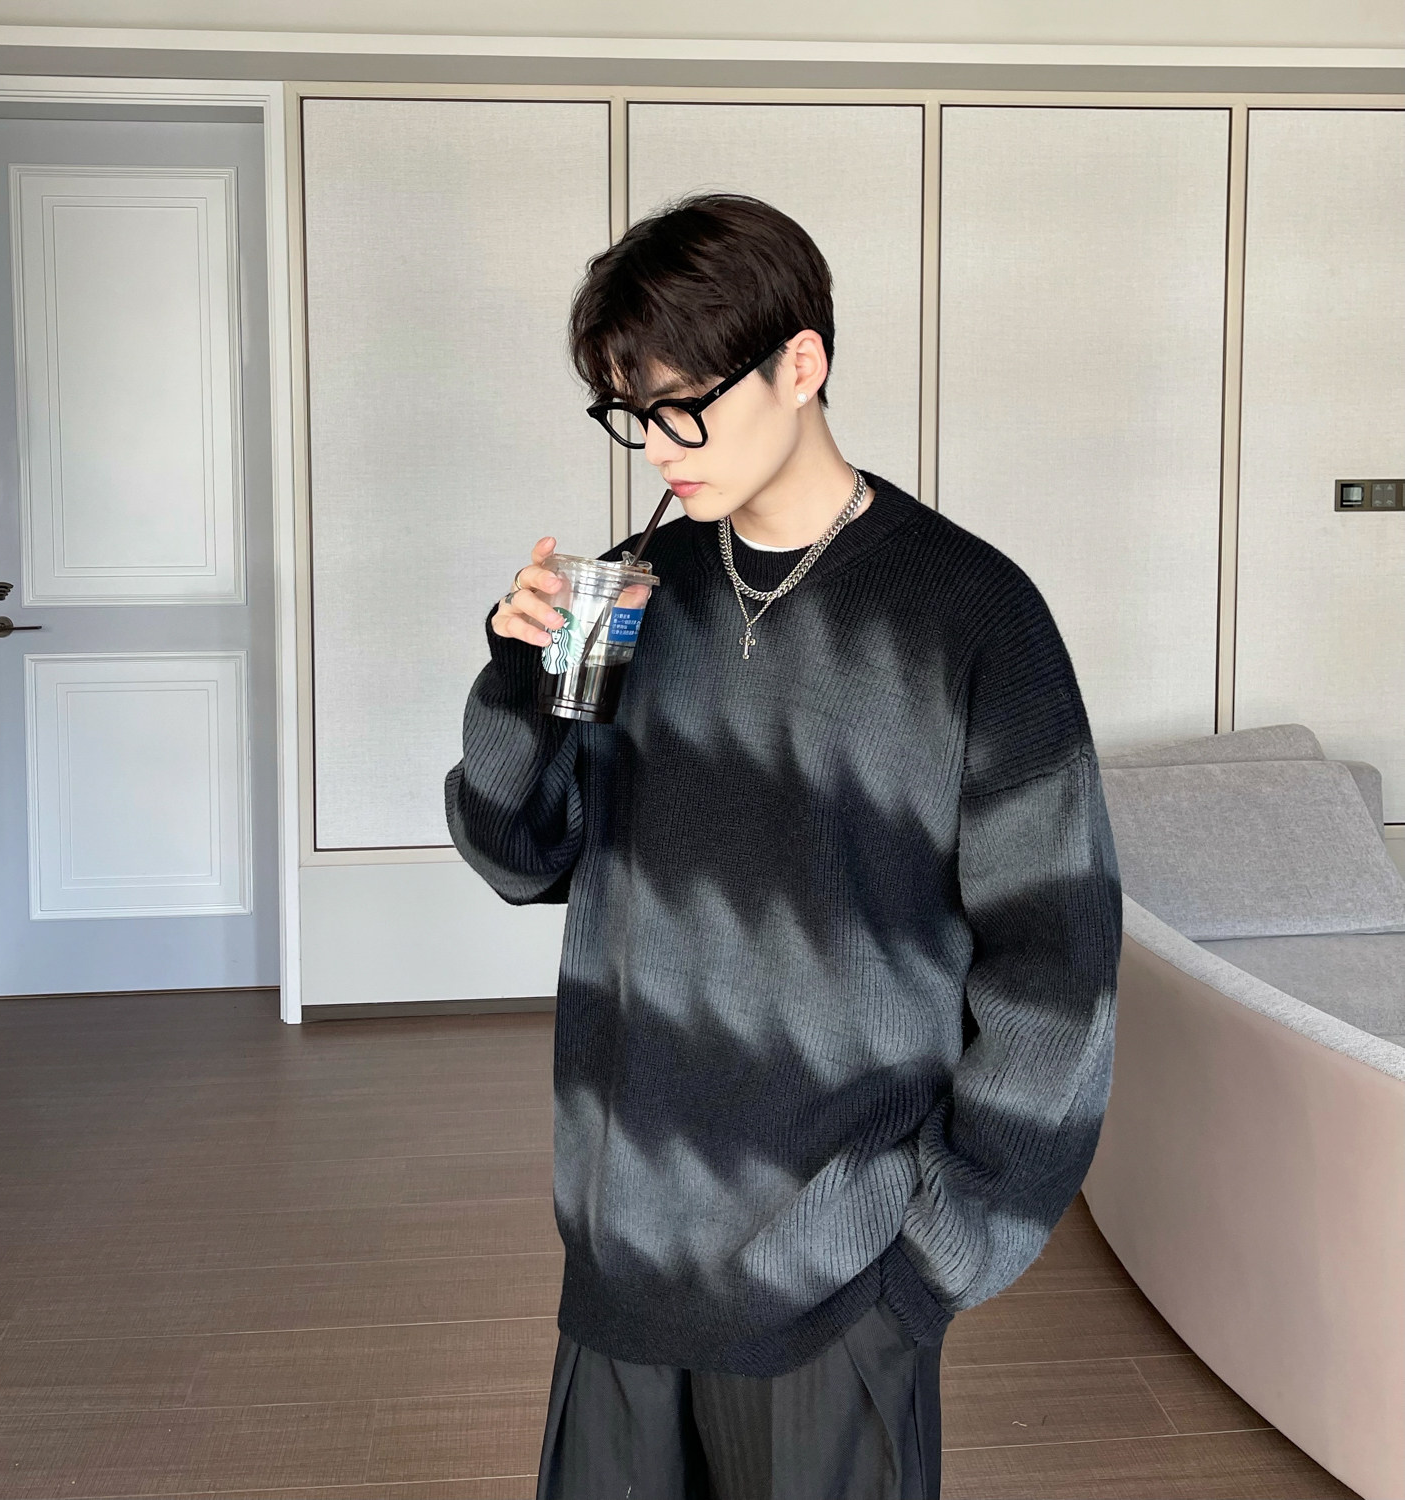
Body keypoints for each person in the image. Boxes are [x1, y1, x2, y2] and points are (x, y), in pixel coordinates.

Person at [444, 192, 1123, 1500]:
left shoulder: (975, 619)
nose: (658, 448)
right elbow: (518, 853)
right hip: (625, 1257)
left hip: (842, 1287)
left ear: (799, 365)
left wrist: (931, 1266)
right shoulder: (621, 592)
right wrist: (523, 675)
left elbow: (1058, 977)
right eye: (631, 413)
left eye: (682, 407)